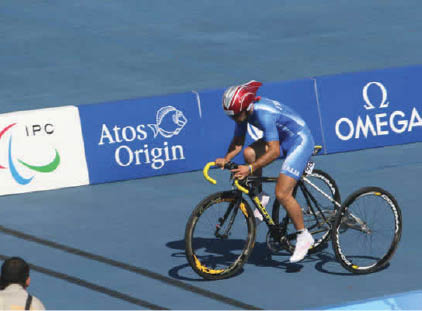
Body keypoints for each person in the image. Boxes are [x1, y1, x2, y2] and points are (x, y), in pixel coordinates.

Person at [215, 80, 315, 263]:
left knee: (282, 193)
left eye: (235, 116)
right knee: (249, 152)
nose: (234, 119)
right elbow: (238, 143)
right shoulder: (243, 113)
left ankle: (304, 235)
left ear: (245, 108)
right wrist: (226, 159)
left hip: (299, 141)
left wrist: (250, 169)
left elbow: (274, 151)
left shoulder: (263, 115)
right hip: (283, 139)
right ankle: (259, 195)